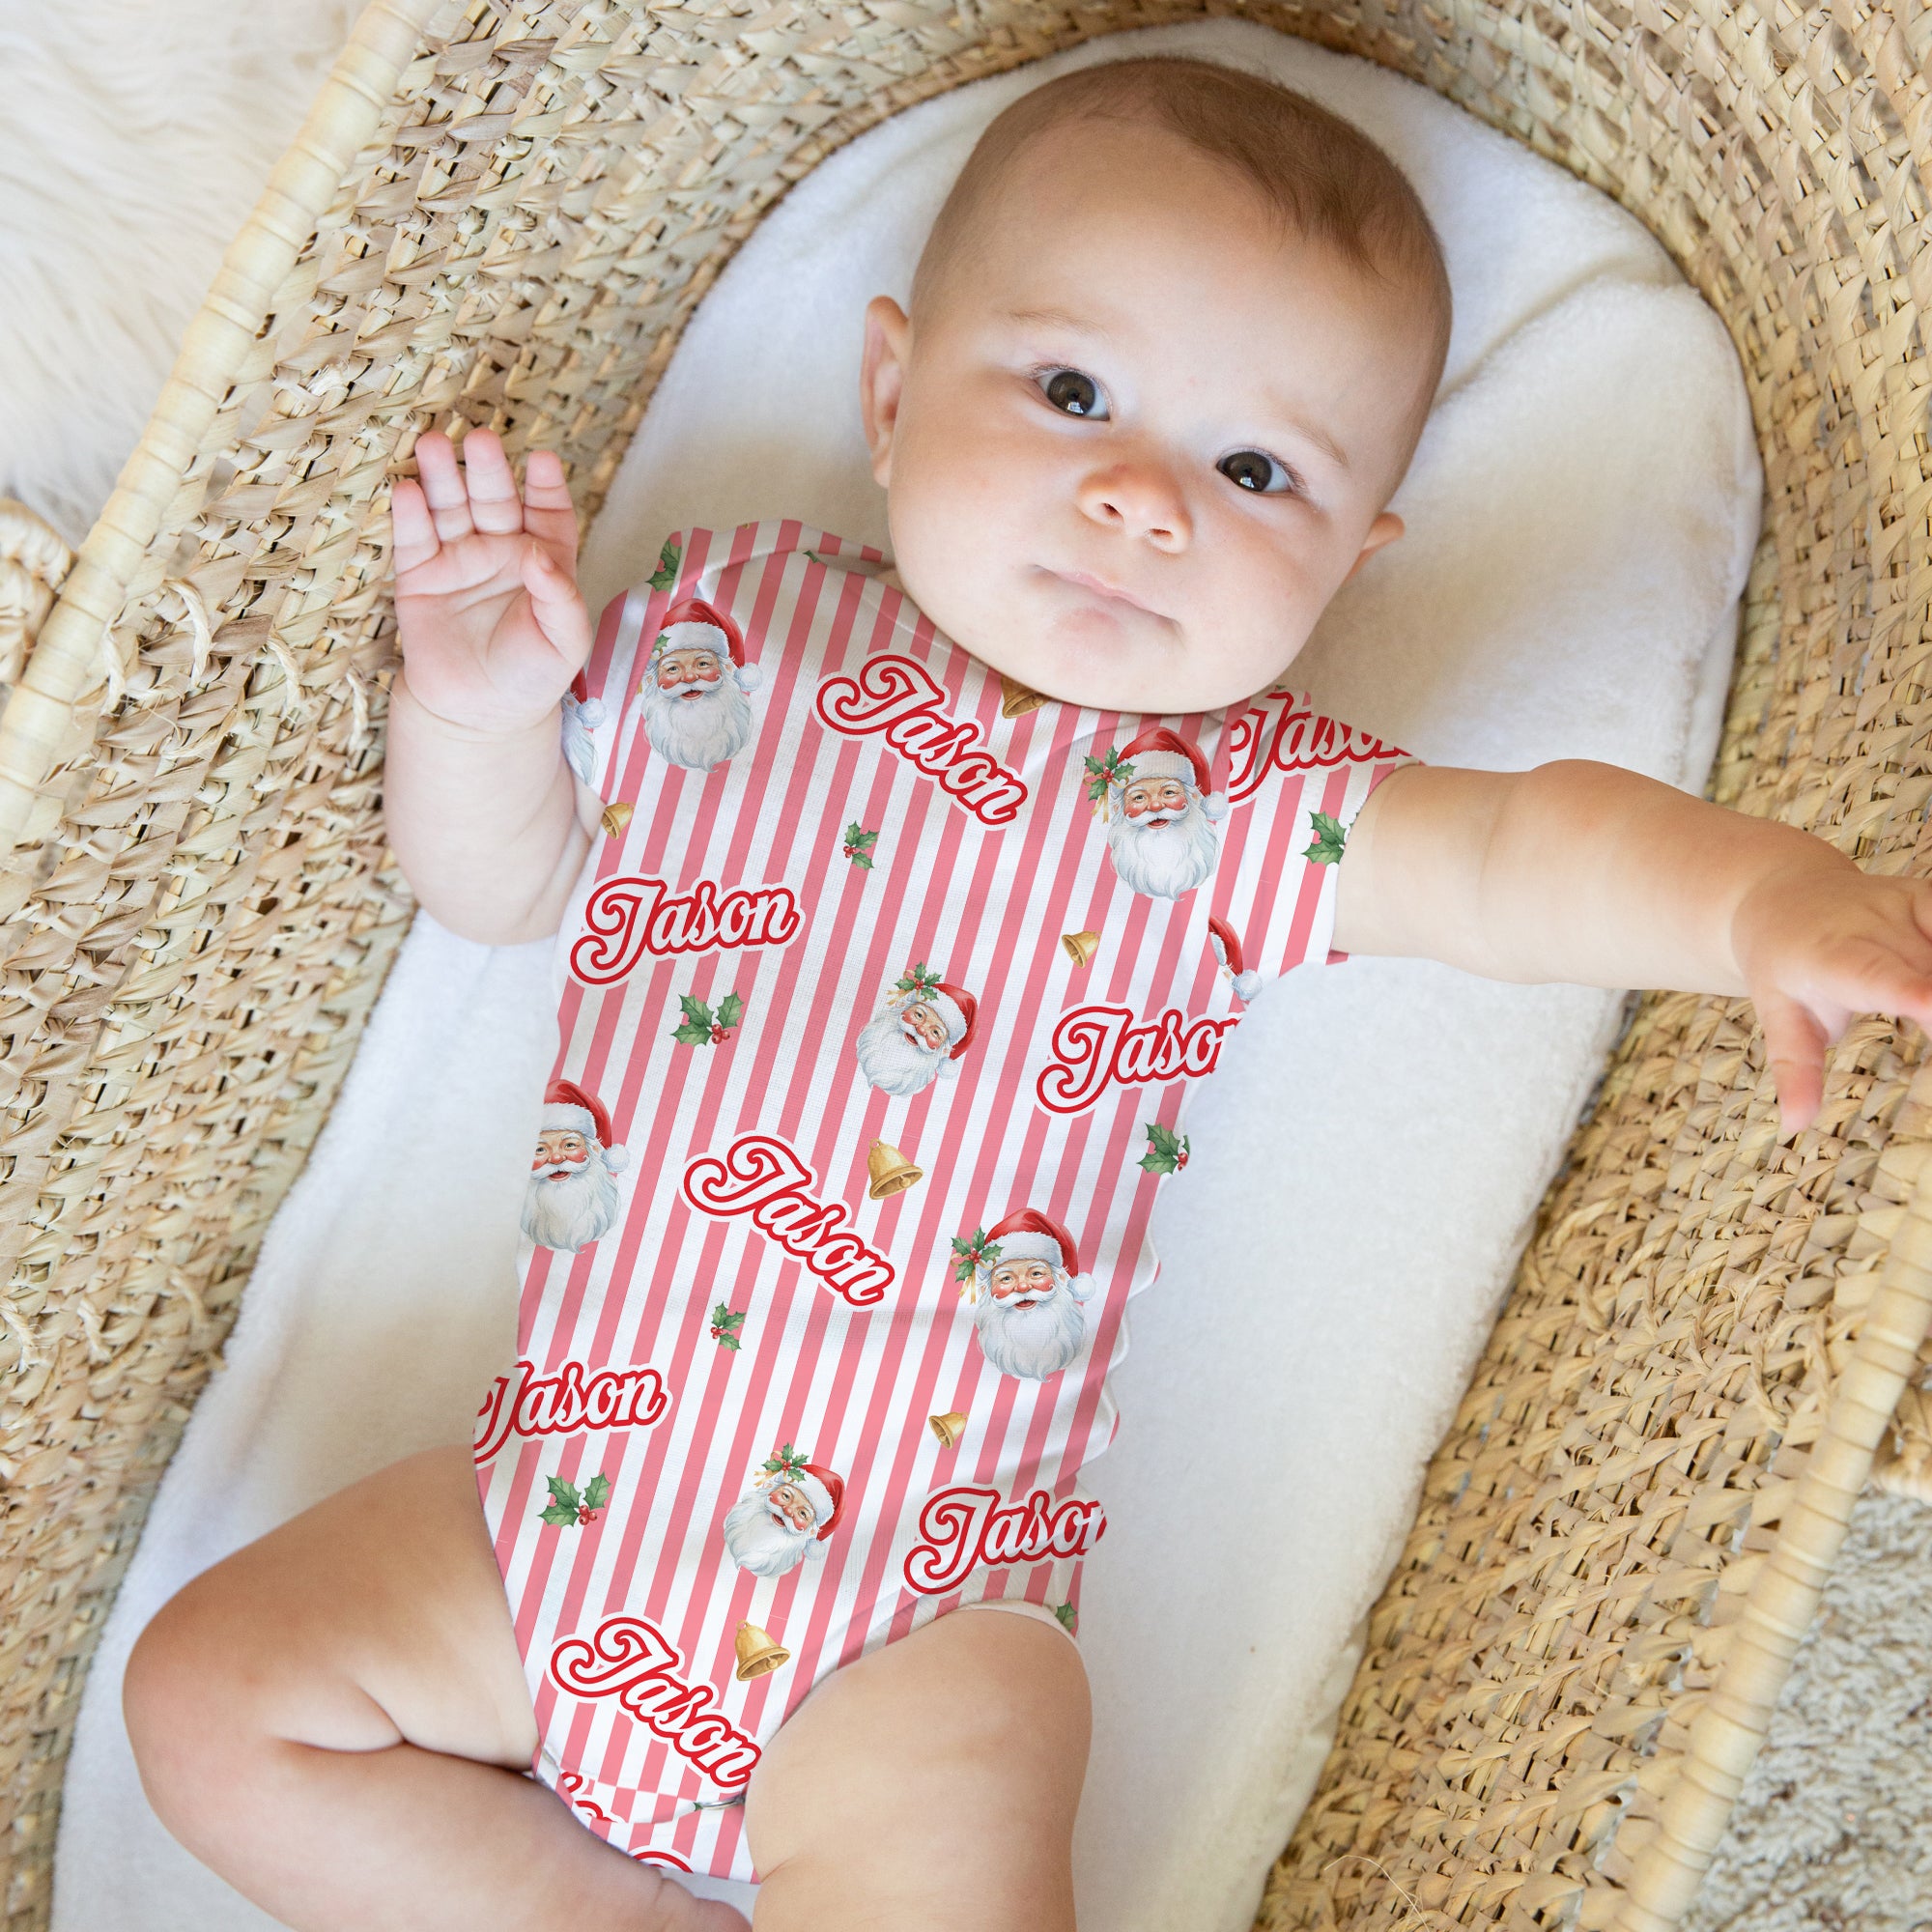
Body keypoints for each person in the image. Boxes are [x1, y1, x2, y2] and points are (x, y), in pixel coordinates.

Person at [122, 54, 1932, 1932]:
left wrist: (1762, 903)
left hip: (911, 1639)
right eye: (1071, 394)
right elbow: (499, 890)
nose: (1141, 498)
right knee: (212, 1700)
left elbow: (1514, 856)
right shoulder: (723, 633)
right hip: (556, 1516)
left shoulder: (1226, 809)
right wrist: (477, 707)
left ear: (1345, 565)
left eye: (1254, 473)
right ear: (889, 395)